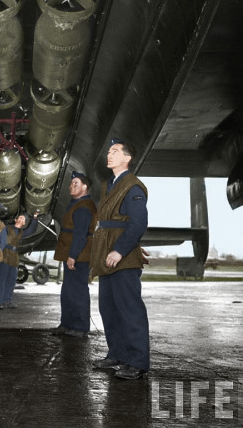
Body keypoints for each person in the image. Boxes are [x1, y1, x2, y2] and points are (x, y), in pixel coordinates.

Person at [90, 138, 149, 380]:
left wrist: (120, 250)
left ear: (127, 158)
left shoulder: (133, 187)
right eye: (109, 151)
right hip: (107, 254)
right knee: (109, 309)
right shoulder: (110, 185)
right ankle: (118, 354)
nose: (109, 155)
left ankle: (137, 362)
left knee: (130, 310)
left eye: (115, 152)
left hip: (121, 258)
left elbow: (138, 224)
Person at [52, 171, 96, 337]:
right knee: (69, 289)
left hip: (78, 255)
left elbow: (80, 234)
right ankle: (67, 324)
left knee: (78, 290)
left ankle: (80, 327)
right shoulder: (77, 203)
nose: (71, 187)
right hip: (73, 254)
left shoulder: (84, 207)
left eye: (75, 184)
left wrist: (73, 255)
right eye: (71, 184)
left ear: (85, 187)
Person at [0, 211, 39, 309]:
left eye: (23, 219)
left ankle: (7, 301)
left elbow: (32, 229)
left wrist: (35, 218)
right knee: (2, 280)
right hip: (4, 255)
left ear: (24, 223)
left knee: (11, 281)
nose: (21, 219)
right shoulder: (6, 228)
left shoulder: (22, 232)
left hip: (14, 258)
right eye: (20, 218)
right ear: (16, 220)